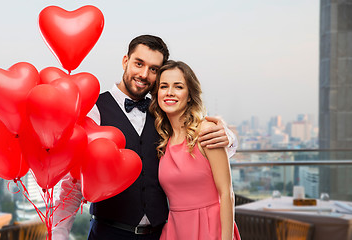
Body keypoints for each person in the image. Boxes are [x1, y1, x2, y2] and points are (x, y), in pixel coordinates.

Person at [52, 35, 237, 240]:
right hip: (108, 233)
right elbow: (74, 182)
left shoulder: (163, 113)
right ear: (125, 61)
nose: (143, 74)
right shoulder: (95, 111)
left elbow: (196, 141)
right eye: (138, 64)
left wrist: (228, 137)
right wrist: (59, 233)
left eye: (153, 69)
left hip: (159, 234)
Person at [149, 60, 240, 240]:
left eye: (178, 87)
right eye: (164, 86)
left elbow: (227, 193)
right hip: (176, 230)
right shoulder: (163, 140)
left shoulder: (206, 131)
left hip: (210, 229)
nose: (170, 92)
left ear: (190, 95)